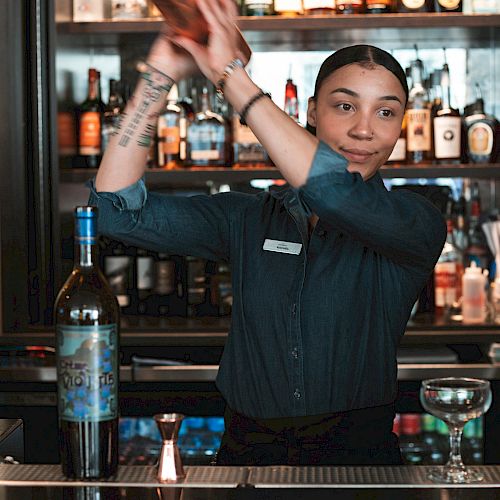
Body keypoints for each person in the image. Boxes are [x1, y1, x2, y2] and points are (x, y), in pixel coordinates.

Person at [88, 0, 446, 466]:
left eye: (385, 113)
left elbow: (333, 193)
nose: (363, 130)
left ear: (400, 127)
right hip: (244, 459)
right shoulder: (249, 216)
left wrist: (232, 79)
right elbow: (116, 212)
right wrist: (162, 70)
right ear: (312, 112)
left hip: (359, 461)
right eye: (344, 106)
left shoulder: (416, 222)